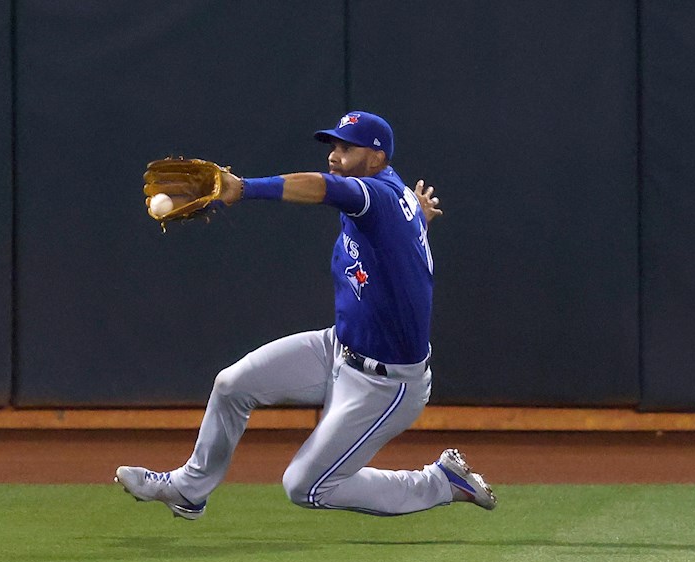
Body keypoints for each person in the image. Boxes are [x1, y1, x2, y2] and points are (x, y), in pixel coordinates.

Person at [115, 111, 495, 518]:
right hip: (337, 347)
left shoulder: (374, 196)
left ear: (376, 158)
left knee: (304, 486)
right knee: (232, 385)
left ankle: (439, 482)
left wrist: (243, 188)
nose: (334, 155)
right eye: (333, 145)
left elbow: (322, 188)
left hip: (387, 384)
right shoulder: (392, 199)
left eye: (347, 148)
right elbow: (393, 237)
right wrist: (417, 218)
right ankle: (189, 489)